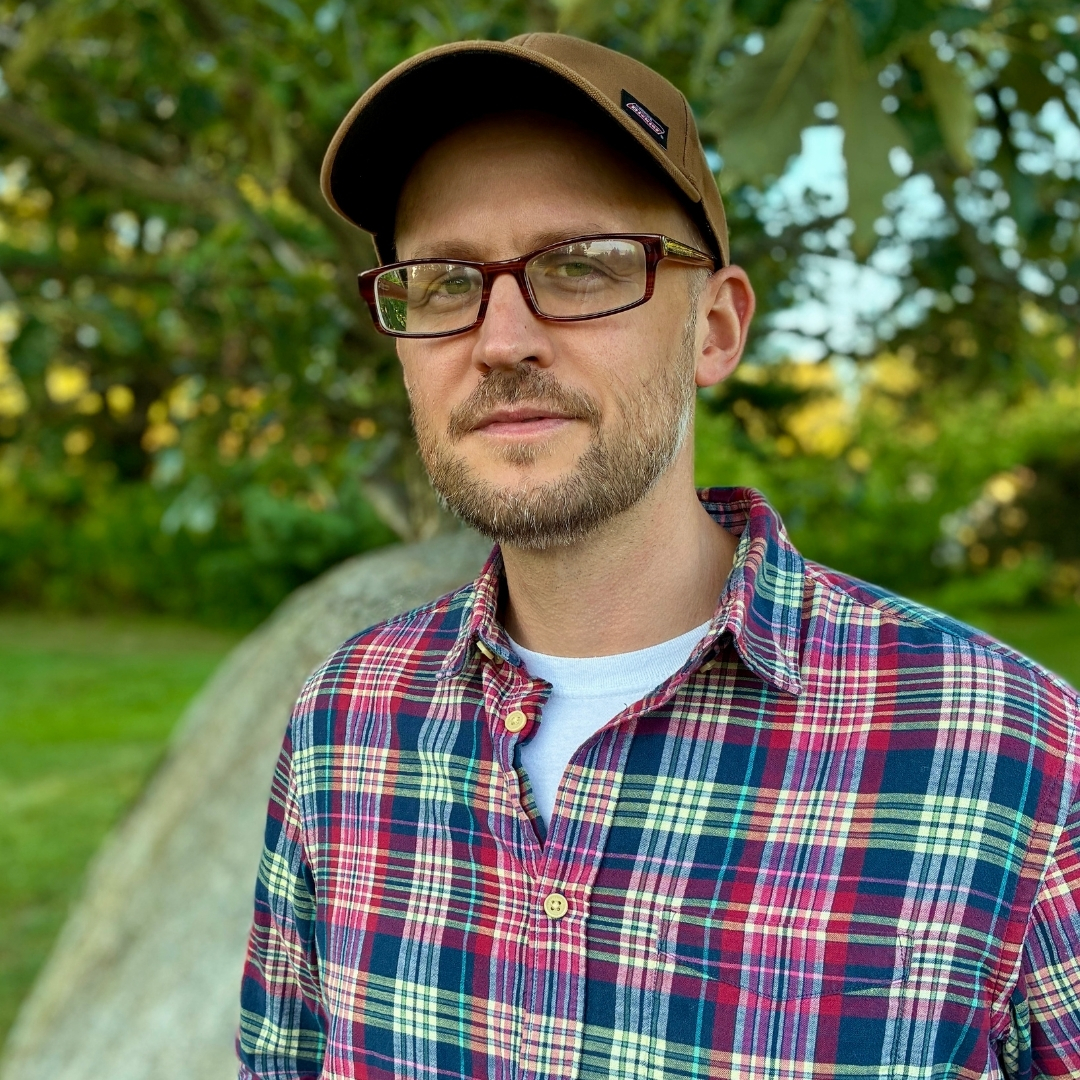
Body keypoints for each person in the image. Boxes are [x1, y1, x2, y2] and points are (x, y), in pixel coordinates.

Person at [237, 34, 1080, 1080]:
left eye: (581, 266)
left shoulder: (1015, 756)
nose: (499, 340)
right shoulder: (342, 725)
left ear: (716, 329)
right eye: (444, 282)